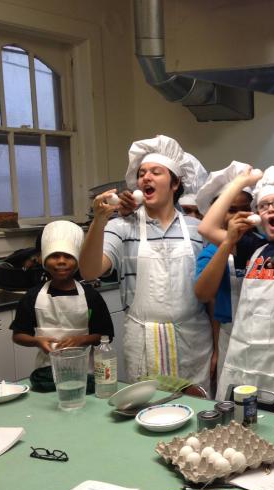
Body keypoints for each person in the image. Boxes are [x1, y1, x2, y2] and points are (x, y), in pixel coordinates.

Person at [79, 135, 213, 389]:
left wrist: (218, 348)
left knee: (196, 415)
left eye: (156, 172)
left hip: (193, 341)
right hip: (143, 343)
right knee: (147, 414)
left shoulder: (198, 230)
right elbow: (89, 270)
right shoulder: (122, 227)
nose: (146, 178)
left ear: (175, 183)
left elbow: (213, 296)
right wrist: (99, 221)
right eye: (142, 173)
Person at [198, 166, 274, 404]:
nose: (270, 208)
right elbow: (207, 227)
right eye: (263, 206)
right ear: (258, 217)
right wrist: (239, 182)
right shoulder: (252, 247)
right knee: (235, 428)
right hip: (241, 361)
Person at [194, 161, 262, 388]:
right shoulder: (211, 252)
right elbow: (205, 296)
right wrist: (215, 350)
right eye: (231, 210)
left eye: (245, 209)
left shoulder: (264, 246)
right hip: (229, 339)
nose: (239, 216)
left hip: (264, 339)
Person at [11, 220, 114, 367]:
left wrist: (82, 340)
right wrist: (37, 341)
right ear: (44, 261)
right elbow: (18, 335)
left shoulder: (91, 296)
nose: (61, 262)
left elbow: (106, 335)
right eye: (54, 256)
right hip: (47, 370)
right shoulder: (32, 297)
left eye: (68, 256)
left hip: (85, 370)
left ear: (78, 261)